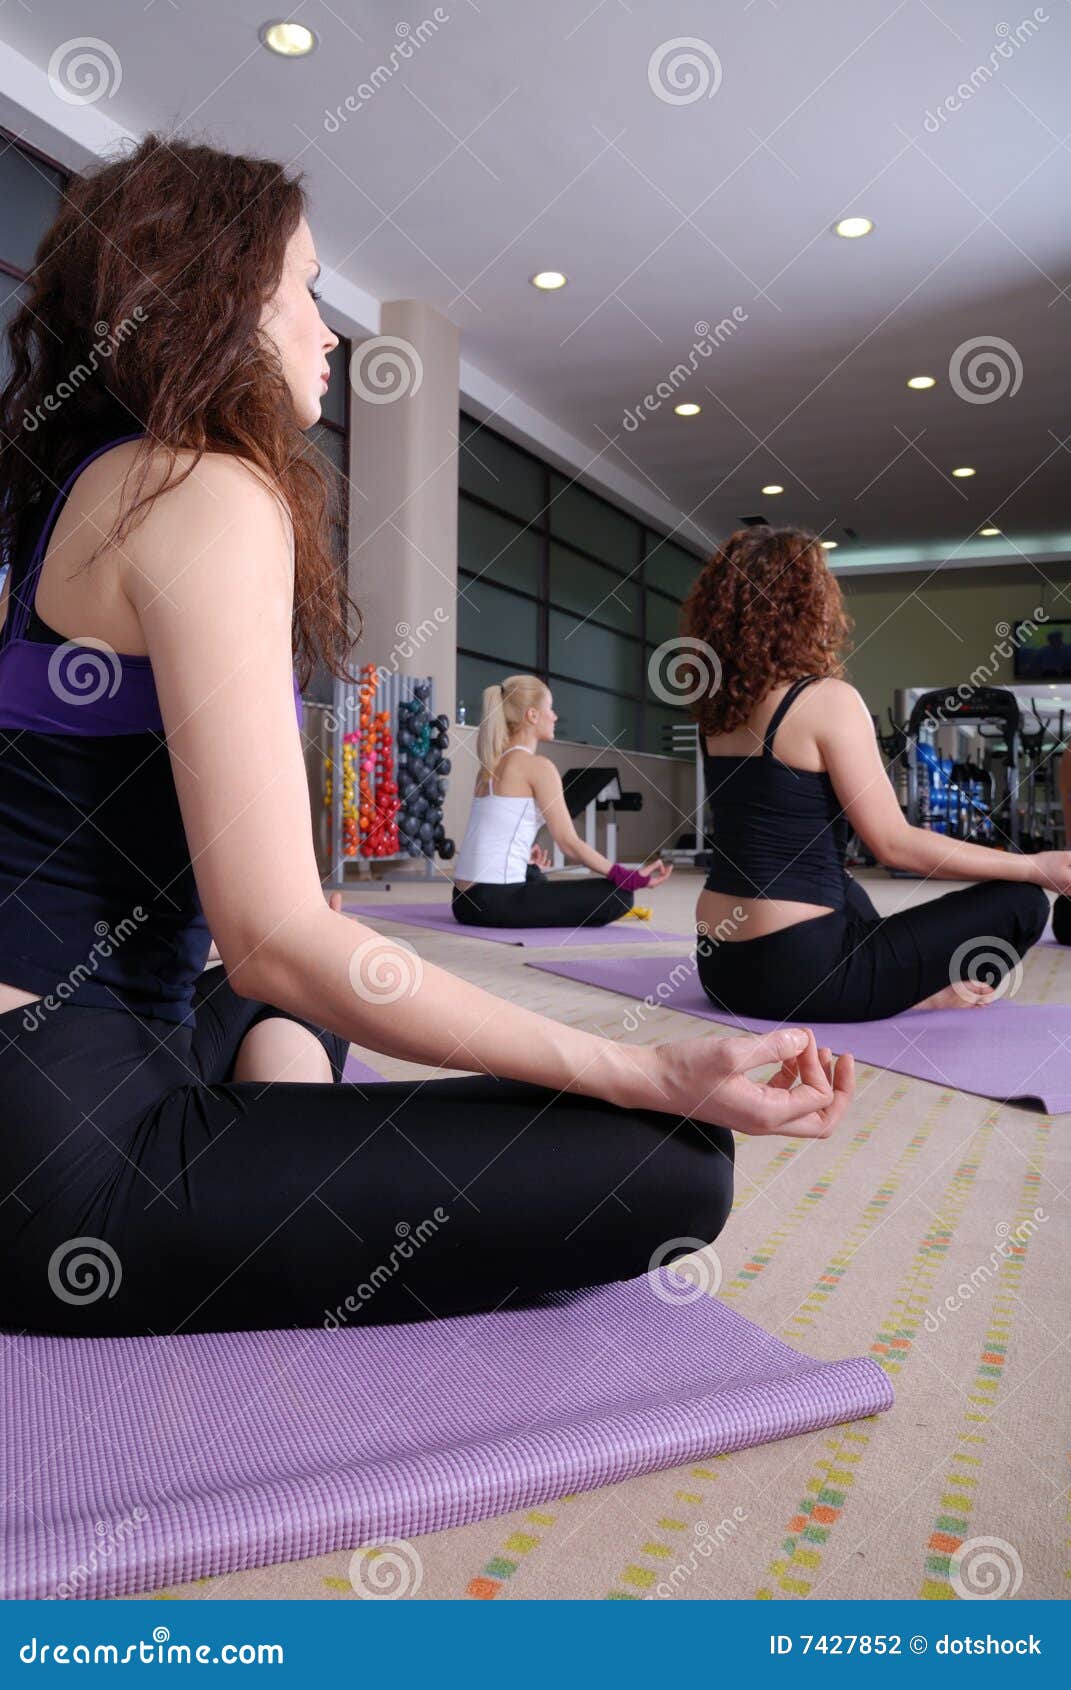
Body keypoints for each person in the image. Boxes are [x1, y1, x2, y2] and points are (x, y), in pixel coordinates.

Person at [0, 137, 853, 1339]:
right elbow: (275, 946)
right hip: (69, 1165)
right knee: (676, 1164)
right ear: (225, 304)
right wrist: (650, 1065)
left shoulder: (83, 492)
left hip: (79, 1058)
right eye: (304, 287)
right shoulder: (203, 493)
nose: (329, 328)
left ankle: (264, 1167)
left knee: (320, 989)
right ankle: (256, 1183)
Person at [682, 526, 1065, 1023]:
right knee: (1023, 903)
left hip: (721, 970)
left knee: (845, 887)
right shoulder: (827, 699)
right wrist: (1037, 867)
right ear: (810, 606)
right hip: (799, 974)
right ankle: (908, 991)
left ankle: (898, 986)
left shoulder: (716, 710)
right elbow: (893, 845)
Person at [452, 674, 669, 929]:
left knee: (533, 873)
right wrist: (625, 876)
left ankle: (526, 871)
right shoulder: (538, 767)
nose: (555, 716)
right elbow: (569, 843)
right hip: (494, 901)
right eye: (550, 709)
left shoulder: (490, 765)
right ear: (532, 715)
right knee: (619, 895)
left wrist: (522, 856)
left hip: (463, 903)